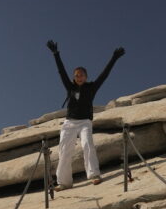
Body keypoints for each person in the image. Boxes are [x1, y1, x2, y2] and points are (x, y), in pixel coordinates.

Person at [46, 40, 125, 188]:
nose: (79, 77)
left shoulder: (92, 87)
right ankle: (64, 182)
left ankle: (94, 175)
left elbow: (104, 74)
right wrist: (56, 54)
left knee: (87, 144)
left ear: (86, 76)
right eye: (76, 75)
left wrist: (114, 58)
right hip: (69, 122)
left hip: (84, 123)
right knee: (64, 150)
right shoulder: (70, 87)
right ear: (74, 77)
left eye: (81, 75)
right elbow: (61, 71)